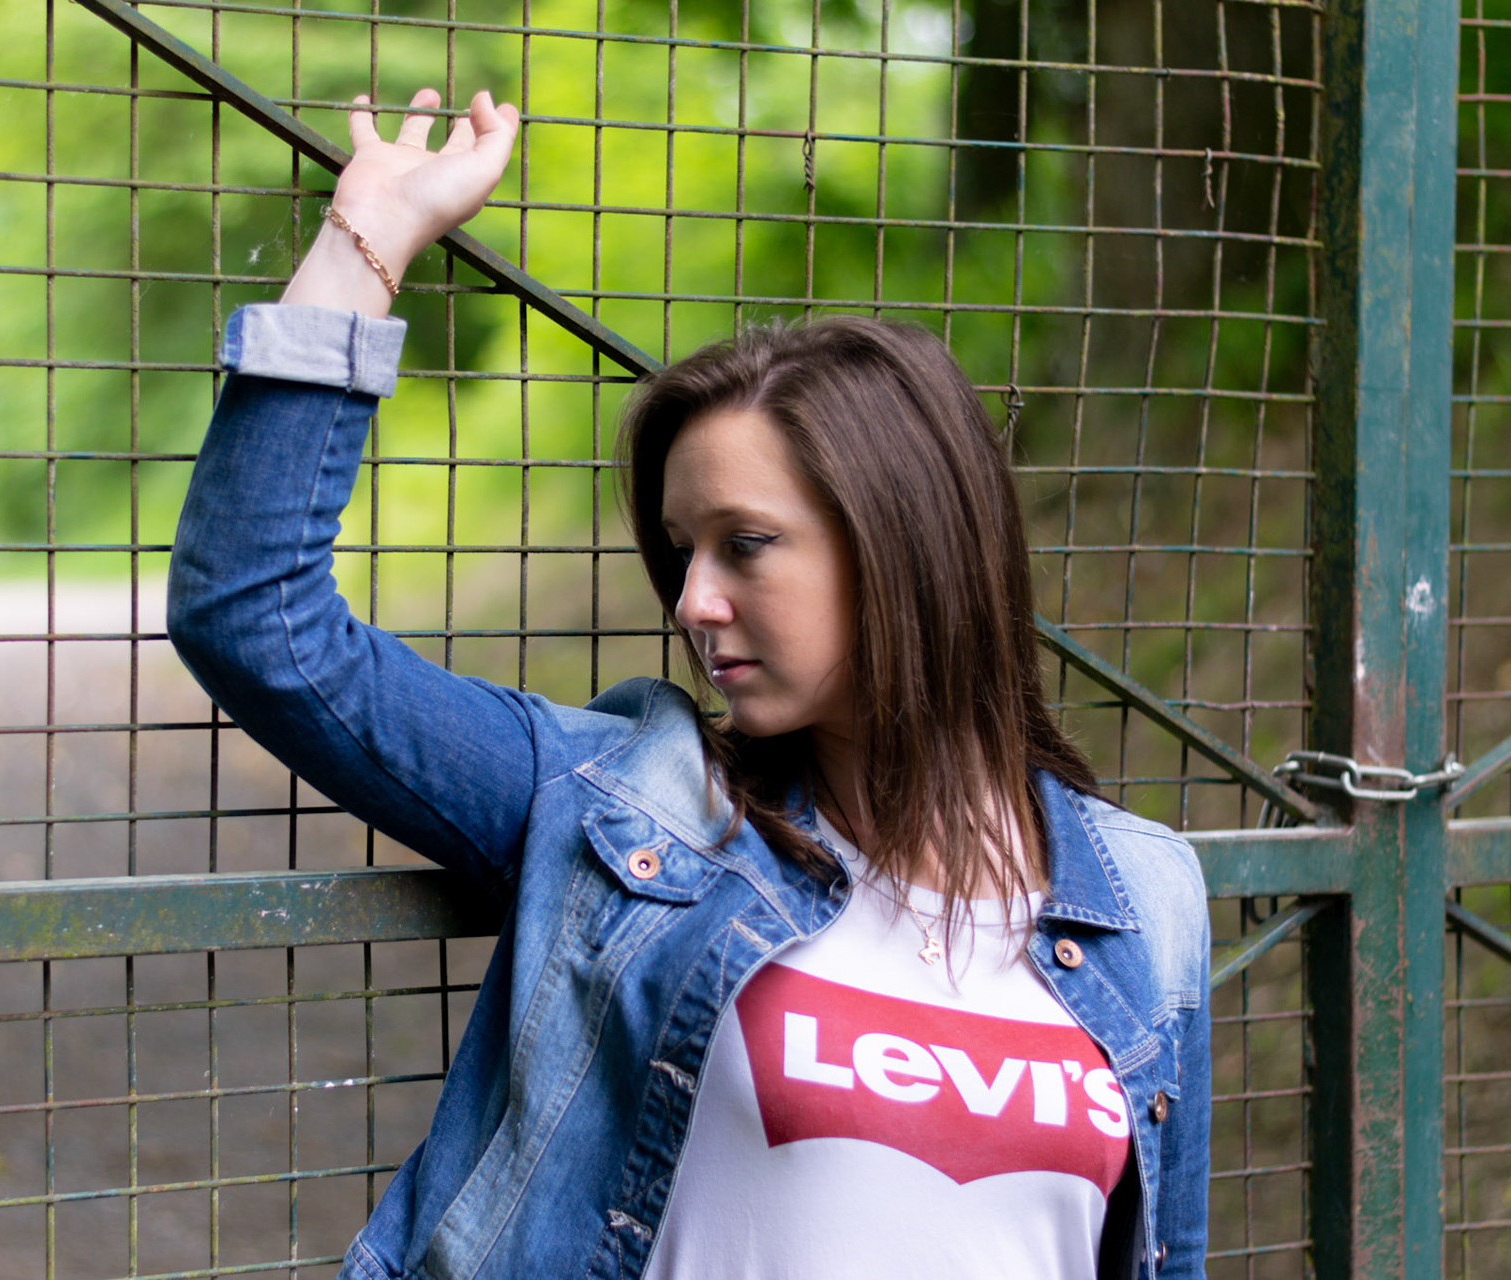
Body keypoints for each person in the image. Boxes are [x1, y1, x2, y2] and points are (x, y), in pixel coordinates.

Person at [167, 87, 1210, 1280]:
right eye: (682, 550)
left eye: (746, 544)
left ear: (903, 543)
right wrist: (369, 242)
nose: (694, 600)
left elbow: (1162, 1256)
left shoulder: (1146, 895)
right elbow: (256, 617)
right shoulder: (637, 804)